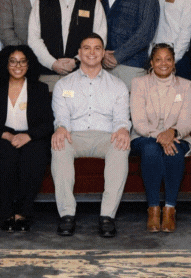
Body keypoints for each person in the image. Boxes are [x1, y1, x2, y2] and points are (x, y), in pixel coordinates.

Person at [51, 33, 131, 238]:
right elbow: (61, 117)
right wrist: (60, 127)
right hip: (74, 136)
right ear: (79, 53)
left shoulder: (118, 85)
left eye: (97, 48)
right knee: (59, 144)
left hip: (106, 137)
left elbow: (122, 118)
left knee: (121, 145)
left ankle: (107, 216)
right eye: (87, 48)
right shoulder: (63, 84)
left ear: (103, 53)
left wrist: (123, 128)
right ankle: (67, 214)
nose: (92, 52)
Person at [0, 46, 54, 233]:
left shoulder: (40, 89)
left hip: (32, 137)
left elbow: (48, 123)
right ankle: (6, 213)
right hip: (2, 136)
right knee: (3, 156)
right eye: (13, 61)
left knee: (33, 157)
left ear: (29, 64)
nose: (17, 65)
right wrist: (6, 135)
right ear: (5, 63)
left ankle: (23, 213)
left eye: (22, 61)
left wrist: (28, 136)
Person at [129, 44, 191, 233]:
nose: (163, 63)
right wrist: (161, 136)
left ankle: (170, 210)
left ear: (174, 63)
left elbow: (185, 122)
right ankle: (154, 209)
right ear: (151, 63)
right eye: (158, 59)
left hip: (176, 135)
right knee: (151, 149)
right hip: (145, 135)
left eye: (168, 59)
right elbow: (139, 122)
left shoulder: (185, 85)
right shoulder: (139, 83)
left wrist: (171, 133)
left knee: (174, 151)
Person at [28, 0, 107, 90]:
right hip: (48, 75)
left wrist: (76, 61)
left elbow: (100, 37)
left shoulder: (92, 1)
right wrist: (52, 63)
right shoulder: (42, 0)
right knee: (47, 110)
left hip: (82, 73)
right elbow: (33, 38)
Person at [95, 0, 160, 89]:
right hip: (101, 66)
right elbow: (93, 28)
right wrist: (102, 54)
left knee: (130, 110)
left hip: (131, 67)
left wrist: (117, 55)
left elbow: (146, 32)